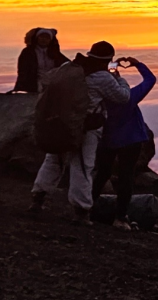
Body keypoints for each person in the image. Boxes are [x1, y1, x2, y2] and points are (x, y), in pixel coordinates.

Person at [29, 41, 131, 225]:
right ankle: (81, 211)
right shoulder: (103, 77)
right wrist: (118, 77)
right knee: (83, 167)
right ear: (108, 59)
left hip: (61, 124)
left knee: (53, 160)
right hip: (88, 128)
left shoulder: (69, 67)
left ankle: (38, 199)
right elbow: (123, 97)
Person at [91, 57, 157, 231]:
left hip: (108, 140)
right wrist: (137, 64)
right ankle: (120, 217)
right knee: (126, 176)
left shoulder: (100, 99)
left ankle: (86, 208)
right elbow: (150, 80)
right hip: (132, 140)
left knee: (102, 174)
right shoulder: (130, 98)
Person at [14, 28, 69, 93]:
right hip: (33, 82)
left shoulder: (55, 52)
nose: (44, 39)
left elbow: (67, 65)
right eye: (41, 37)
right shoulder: (28, 52)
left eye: (47, 37)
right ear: (37, 38)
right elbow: (23, 70)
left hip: (53, 80)